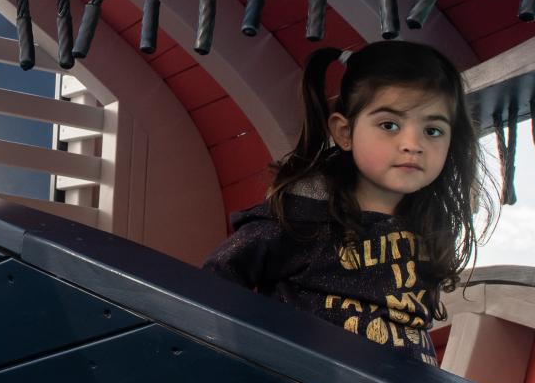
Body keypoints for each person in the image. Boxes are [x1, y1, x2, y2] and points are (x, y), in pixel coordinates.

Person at [202, 41, 489, 353]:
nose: (412, 144)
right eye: (389, 125)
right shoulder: (301, 219)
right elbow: (218, 283)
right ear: (344, 133)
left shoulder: (430, 227)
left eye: (432, 131)